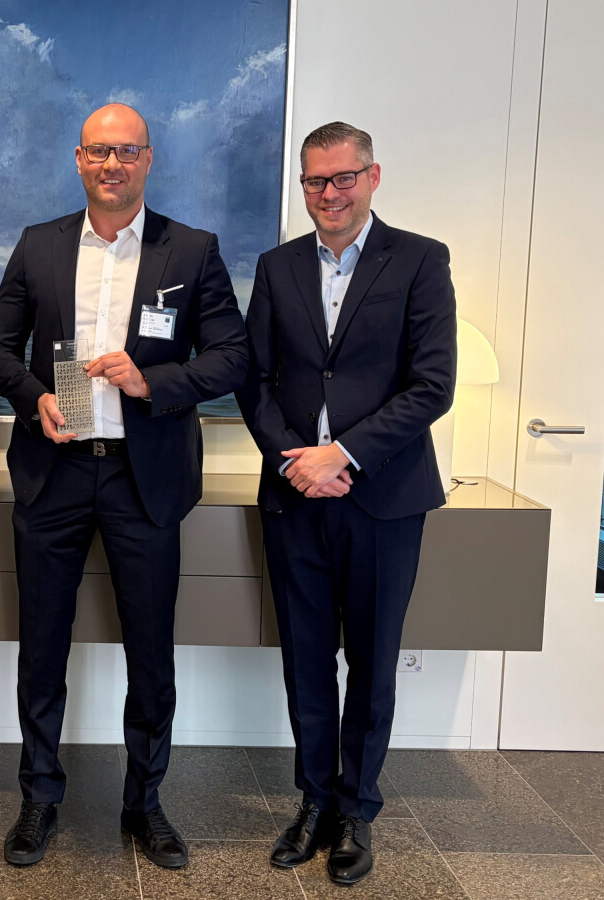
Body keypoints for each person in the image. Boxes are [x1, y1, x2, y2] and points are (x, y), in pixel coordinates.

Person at [0, 103, 248, 869]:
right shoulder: (39, 245)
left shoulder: (191, 250)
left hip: (145, 479)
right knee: (42, 647)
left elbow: (232, 356)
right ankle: (39, 798)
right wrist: (34, 396)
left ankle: (145, 803)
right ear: (78, 159)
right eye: (99, 151)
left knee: (151, 654)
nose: (112, 165)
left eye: (127, 152)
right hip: (55, 470)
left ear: (148, 160)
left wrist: (153, 380)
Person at [236, 122, 456, 885]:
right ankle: (315, 801)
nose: (328, 194)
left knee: (371, 661)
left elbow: (433, 385)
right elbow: (254, 382)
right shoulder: (277, 267)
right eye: (315, 181)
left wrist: (345, 453)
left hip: (384, 498)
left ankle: (357, 810)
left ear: (372, 177)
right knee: (305, 660)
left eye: (343, 178)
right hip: (295, 496)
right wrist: (296, 460)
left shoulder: (420, 260)